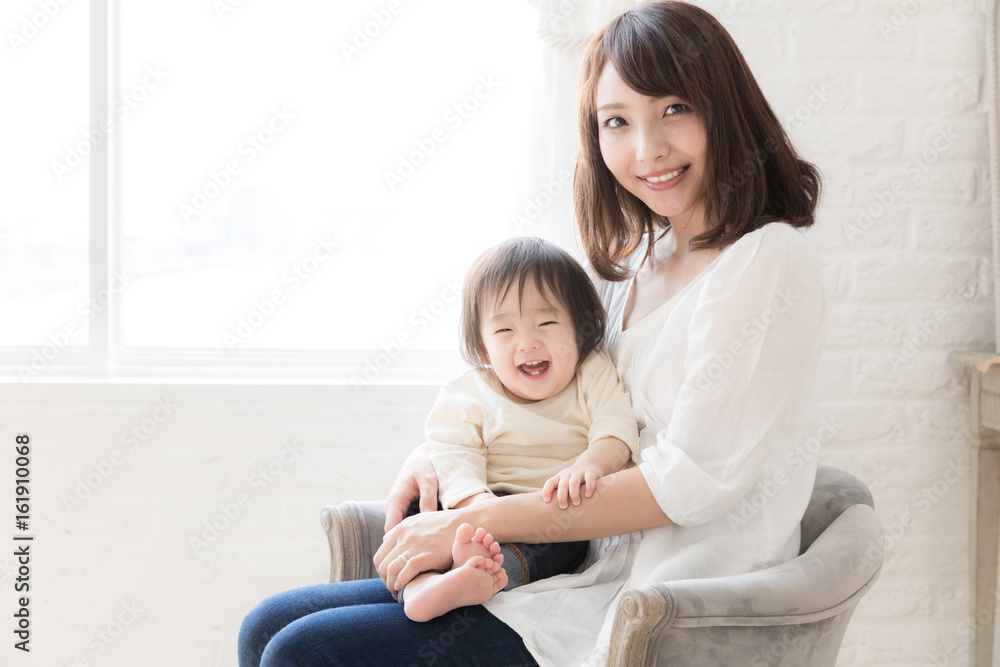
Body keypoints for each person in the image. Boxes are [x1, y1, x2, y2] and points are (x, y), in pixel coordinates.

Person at [239, 2, 826, 665]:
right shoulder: (634, 259)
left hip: (664, 610)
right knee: (265, 627)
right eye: (617, 122)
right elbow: (557, 392)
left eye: (674, 109)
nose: (647, 150)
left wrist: (472, 519)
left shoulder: (766, 262)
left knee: (303, 652)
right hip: (574, 574)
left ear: (724, 108)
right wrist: (442, 452)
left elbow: (686, 482)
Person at [396, 236, 639, 623]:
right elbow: (455, 456)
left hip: (546, 510)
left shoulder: (591, 373)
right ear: (483, 345)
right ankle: (423, 586)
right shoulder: (465, 394)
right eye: (504, 331)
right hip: (477, 503)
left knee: (564, 543)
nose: (527, 342)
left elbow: (617, 428)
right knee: (415, 511)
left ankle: (484, 574)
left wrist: (591, 464)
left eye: (546, 322)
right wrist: (476, 507)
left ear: (579, 327)